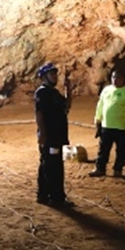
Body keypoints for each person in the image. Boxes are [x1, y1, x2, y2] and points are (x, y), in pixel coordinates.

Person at [34, 63, 74, 207]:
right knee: (52, 166)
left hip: (58, 135)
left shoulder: (54, 92)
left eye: (55, 74)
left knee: (52, 164)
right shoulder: (42, 93)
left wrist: (68, 89)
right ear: (44, 77)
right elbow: (39, 114)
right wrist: (43, 134)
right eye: (52, 74)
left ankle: (45, 195)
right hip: (50, 136)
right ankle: (55, 197)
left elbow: (67, 106)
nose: (55, 77)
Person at [90, 69, 125, 177]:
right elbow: (100, 105)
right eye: (113, 77)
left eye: (118, 77)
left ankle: (118, 169)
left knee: (121, 150)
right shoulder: (106, 90)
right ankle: (100, 168)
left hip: (121, 128)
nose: (115, 80)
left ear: (123, 79)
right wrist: (97, 119)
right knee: (103, 149)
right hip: (106, 126)